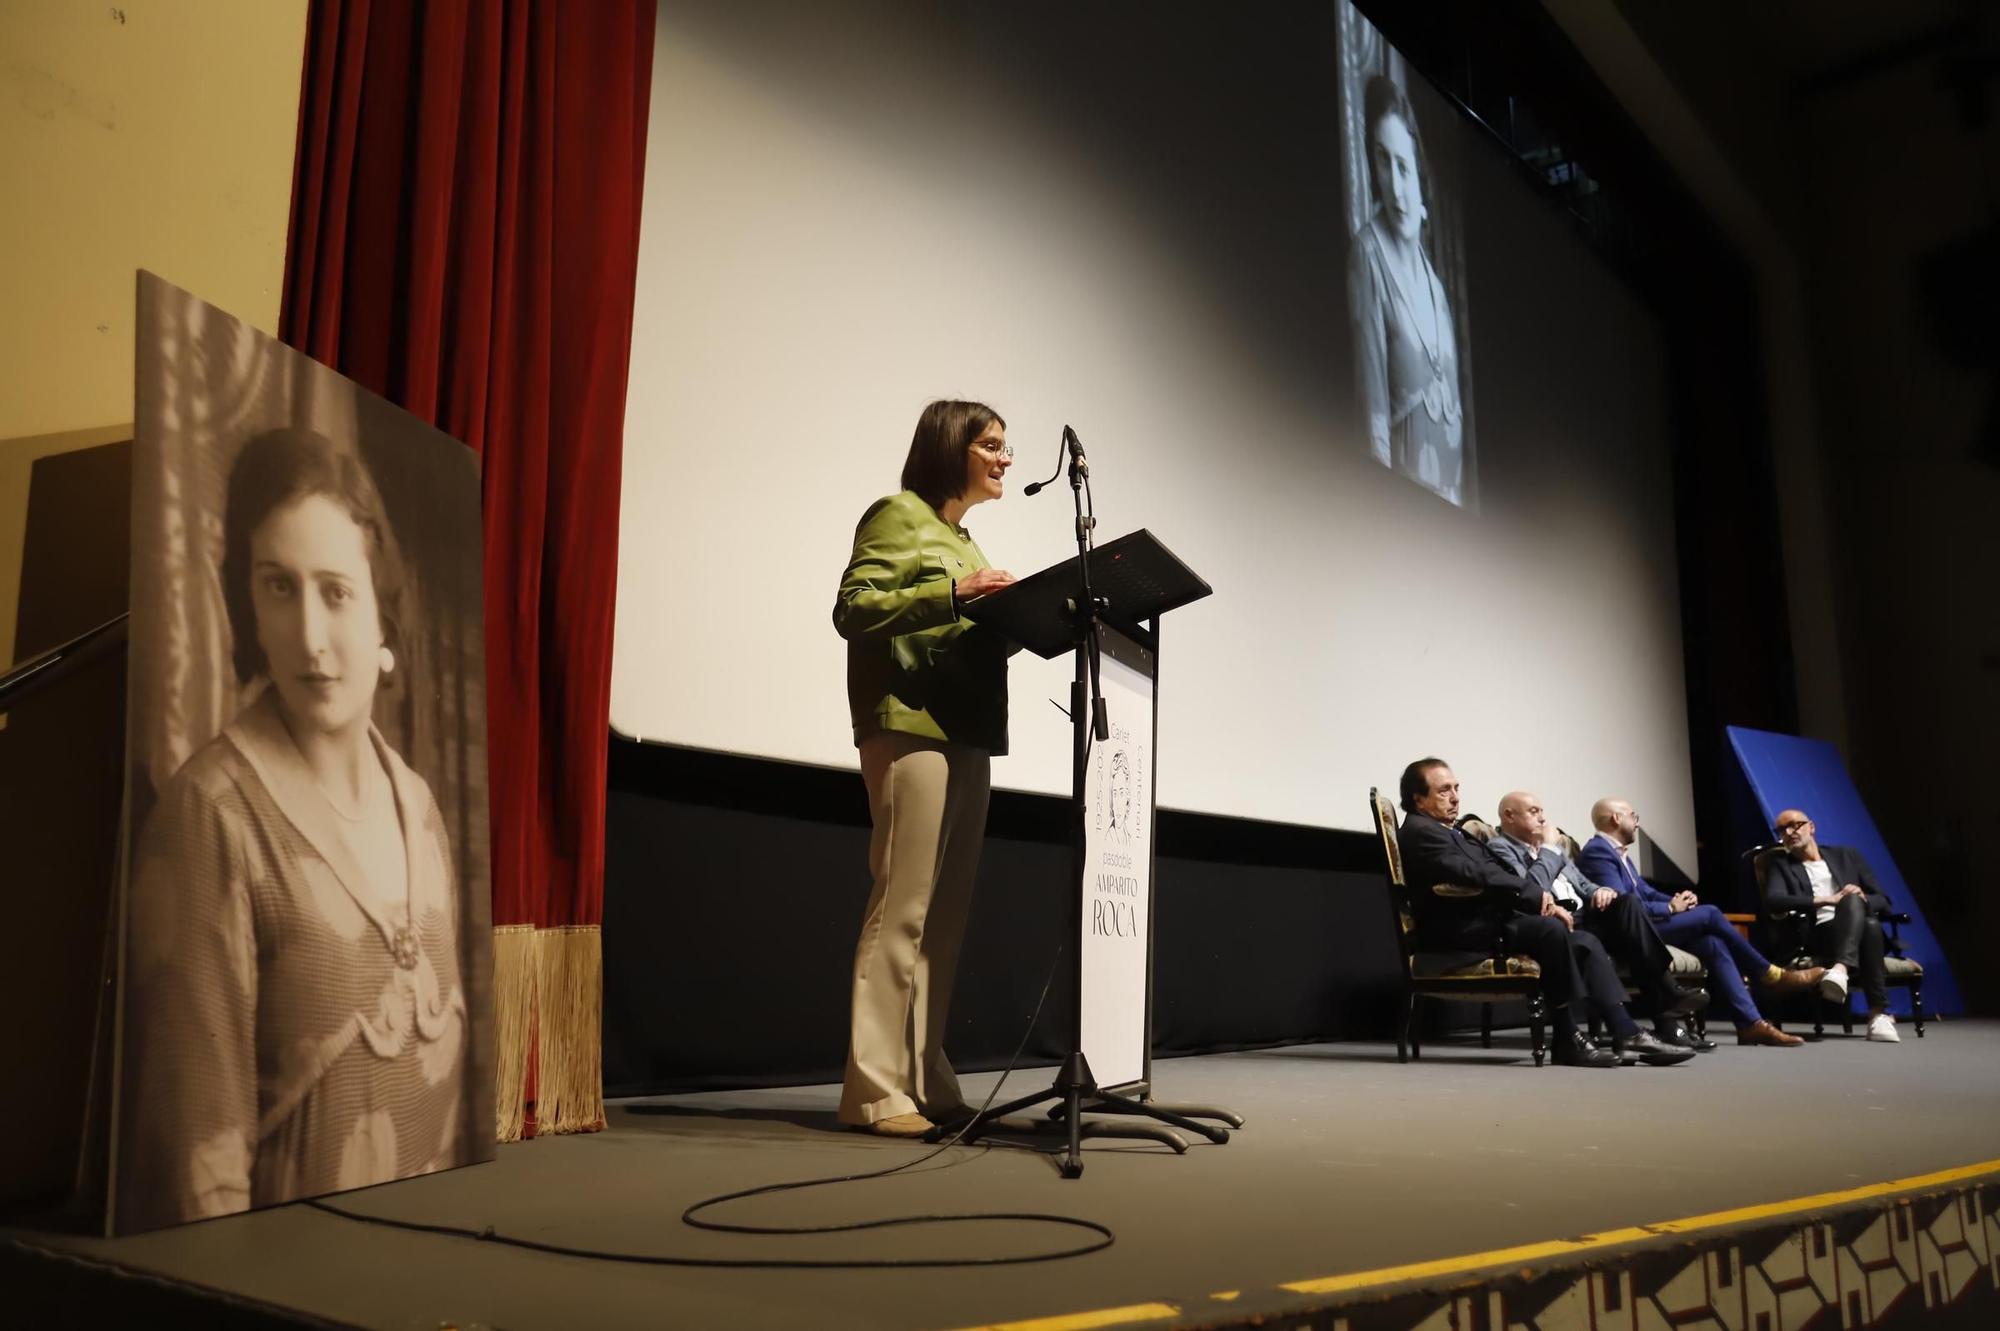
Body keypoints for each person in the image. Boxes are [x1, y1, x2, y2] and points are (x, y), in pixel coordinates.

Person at [119, 427, 469, 1232]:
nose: (309, 636)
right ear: (248, 603)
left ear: (383, 607)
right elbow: (194, 1176)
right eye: (279, 588)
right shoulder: (210, 815)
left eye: (336, 591)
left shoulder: (417, 803)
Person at [832, 400, 1018, 1136]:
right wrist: (954, 593)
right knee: (902, 905)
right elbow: (855, 607)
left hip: (968, 732)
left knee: (944, 918)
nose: (1006, 459)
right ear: (954, 446)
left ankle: (923, 1074)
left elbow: (966, 623)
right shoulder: (898, 514)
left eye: (1007, 448)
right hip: (910, 728)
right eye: (993, 445)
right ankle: (873, 1087)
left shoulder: (964, 541)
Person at [1395, 759, 1692, 1068]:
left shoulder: (1449, 831)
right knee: (1550, 931)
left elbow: (1494, 872)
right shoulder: (1421, 831)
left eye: (1456, 788)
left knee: (1586, 942)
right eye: (1444, 790)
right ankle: (1566, 1038)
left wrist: (1543, 903)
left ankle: (1626, 1032)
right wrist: (1538, 898)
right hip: (1459, 930)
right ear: (1418, 799)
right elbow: (1474, 873)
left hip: (1486, 919)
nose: (1455, 797)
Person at [1571, 798, 1826, 1048]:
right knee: (1712, 914)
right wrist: (1671, 908)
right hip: (1627, 933)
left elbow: (1644, 892)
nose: (1637, 823)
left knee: (1712, 943)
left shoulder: (1619, 853)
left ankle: (1750, 1024)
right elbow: (1623, 906)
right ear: (1616, 818)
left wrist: (1676, 898)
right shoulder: (1598, 852)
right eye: (1633, 816)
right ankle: (1769, 974)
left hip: (1646, 924)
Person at [1487, 792, 1706, 1051]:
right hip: (1555, 923)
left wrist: (1600, 891)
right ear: (1509, 816)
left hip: (1584, 916)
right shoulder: (1500, 848)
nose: (1543, 818)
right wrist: (1548, 849)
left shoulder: (1556, 849)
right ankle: (1666, 1012)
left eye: (1542, 811)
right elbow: (1532, 889)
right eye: (1534, 811)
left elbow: (1583, 884)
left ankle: (1666, 999)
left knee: (1627, 903)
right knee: (1605, 939)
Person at [1348, 74, 1465, 506]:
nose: (1394, 187)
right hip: (1400, 527)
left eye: (1403, 166)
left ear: (1419, 171)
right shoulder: (1367, 258)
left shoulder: (1437, 288)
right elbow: (1373, 423)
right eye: (1382, 162)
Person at [1762, 808, 1901, 1042]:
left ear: (1811, 827)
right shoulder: (1782, 865)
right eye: (1782, 830)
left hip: (1856, 930)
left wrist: (1860, 897)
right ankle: (1878, 1015)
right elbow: (1774, 900)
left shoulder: (1847, 855)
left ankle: (1841, 971)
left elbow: (1884, 901)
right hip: (1817, 934)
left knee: (1867, 920)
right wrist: (1825, 900)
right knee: (1869, 925)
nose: (1789, 832)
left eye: (1795, 825)